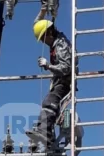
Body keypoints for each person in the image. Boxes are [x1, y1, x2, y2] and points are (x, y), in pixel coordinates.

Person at [26, 10, 78, 148]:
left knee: (49, 103)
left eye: (43, 38)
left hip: (65, 82)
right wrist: (43, 10)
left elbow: (66, 68)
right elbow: (36, 24)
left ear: (49, 33)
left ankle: (45, 134)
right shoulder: (54, 40)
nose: (43, 42)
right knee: (48, 103)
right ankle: (43, 131)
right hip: (58, 81)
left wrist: (48, 66)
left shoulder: (61, 45)